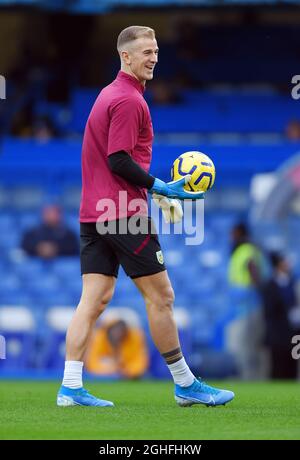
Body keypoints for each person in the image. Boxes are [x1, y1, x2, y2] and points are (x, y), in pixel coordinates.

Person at [57, 26, 234, 408]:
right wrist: (162, 188)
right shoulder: (128, 100)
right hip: (123, 214)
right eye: (146, 52)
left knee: (94, 298)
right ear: (126, 56)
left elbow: (112, 160)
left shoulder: (109, 94)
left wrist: (151, 190)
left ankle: (70, 387)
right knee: (161, 296)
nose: (154, 57)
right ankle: (185, 383)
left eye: (156, 51)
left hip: (95, 212)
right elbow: (118, 159)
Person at [227, 222, 265, 379]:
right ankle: (248, 375)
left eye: (233, 233)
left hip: (249, 303)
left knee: (247, 343)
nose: (231, 237)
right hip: (242, 304)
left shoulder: (246, 250)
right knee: (244, 343)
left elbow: (253, 270)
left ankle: (251, 376)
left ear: (240, 233)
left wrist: (255, 290)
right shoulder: (241, 250)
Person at [262, 252, 300, 379]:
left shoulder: (292, 282)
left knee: (292, 365)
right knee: (277, 366)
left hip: (293, 332)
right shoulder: (270, 285)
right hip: (277, 333)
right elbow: (269, 311)